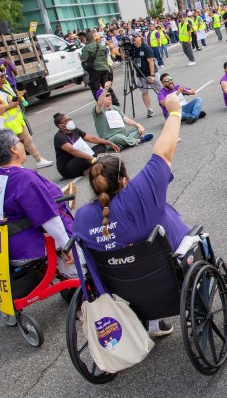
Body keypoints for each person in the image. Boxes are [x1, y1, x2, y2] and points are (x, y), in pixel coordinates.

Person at [72, 94, 197, 337]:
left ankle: (152, 321)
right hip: (170, 276)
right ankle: (196, 303)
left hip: (122, 289)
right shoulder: (140, 193)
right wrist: (174, 112)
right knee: (197, 241)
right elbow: (163, 152)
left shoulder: (83, 217)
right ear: (123, 180)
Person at [0, 129, 77, 278]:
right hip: (30, 247)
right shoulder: (25, 179)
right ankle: (80, 275)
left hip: (3, 247)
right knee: (82, 239)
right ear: (13, 149)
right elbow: (49, 219)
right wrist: (67, 246)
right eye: (20, 142)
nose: (22, 144)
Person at [0, 67, 52, 168]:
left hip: (18, 121)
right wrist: (11, 105)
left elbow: (11, 98)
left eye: (4, 75)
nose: (5, 77)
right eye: (2, 76)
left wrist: (18, 95)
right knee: (12, 147)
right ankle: (17, 166)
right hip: (6, 126)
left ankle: (39, 160)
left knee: (28, 140)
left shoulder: (6, 86)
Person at [52, 112, 118, 179]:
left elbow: (91, 138)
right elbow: (73, 151)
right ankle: (91, 165)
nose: (70, 121)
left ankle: (91, 165)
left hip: (83, 156)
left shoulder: (74, 130)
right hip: (68, 167)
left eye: (70, 119)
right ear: (60, 125)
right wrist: (91, 158)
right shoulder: (59, 137)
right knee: (83, 157)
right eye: (66, 121)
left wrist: (109, 143)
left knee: (101, 146)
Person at [92, 82, 153, 148]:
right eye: (107, 95)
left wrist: (138, 125)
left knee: (137, 130)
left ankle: (122, 144)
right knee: (117, 137)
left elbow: (125, 119)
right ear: (100, 98)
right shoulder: (98, 110)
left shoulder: (115, 108)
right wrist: (105, 89)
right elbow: (100, 103)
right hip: (109, 140)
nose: (110, 96)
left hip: (123, 135)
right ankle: (139, 141)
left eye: (110, 95)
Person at [129, 34, 162, 118]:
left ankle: (167, 103)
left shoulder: (146, 47)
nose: (134, 39)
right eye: (133, 38)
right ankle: (149, 109)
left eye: (135, 37)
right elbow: (126, 58)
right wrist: (122, 50)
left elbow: (151, 62)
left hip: (150, 73)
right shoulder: (132, 47)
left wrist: (152, 75)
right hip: (140, 75)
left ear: (140, 38)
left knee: (160, 90)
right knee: (144, 92)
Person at [80, 31, 117, 103]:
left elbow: (83, 58)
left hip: (95, 70)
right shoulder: (101, 45)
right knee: (106, 87)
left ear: (86, 39)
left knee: (95, 88)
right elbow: (106, 56)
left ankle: (100, 104)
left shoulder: (86, 48)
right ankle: (115, 102)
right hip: (105, 68)